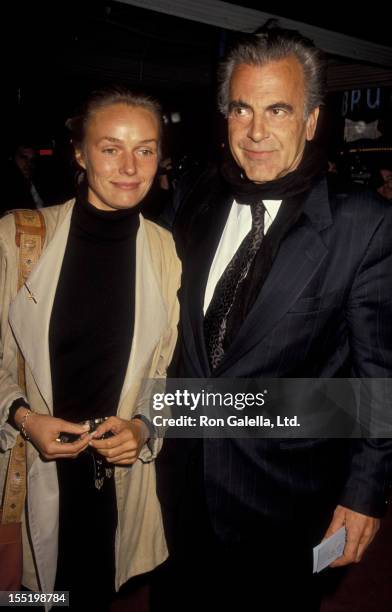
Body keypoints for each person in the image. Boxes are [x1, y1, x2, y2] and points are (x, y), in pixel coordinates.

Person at [157, 26, 392, 612]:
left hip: (286, 500)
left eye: (278, 109)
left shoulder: (363, 226)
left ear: (311, 121)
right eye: (242, 109)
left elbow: (378, 379)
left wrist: (364, 494)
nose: (257, 131)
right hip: (179, 486)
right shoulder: (195, 199)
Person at [0, 86, 180, 611]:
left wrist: (143, 427)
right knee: (30, 599)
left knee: (91, 594)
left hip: (114, 482)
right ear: (80, 153)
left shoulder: (164, 250)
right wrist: (22, 416)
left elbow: (166, 368)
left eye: (145, 149)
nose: (130, 166)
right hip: (33, 469)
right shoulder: (20, 236)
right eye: (111, 147)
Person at [2, 143, 45, 214]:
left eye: (31, 160)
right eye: (23, 157)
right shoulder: (8, 188)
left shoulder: (37, 183)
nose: (28, 163)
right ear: (12, 158)